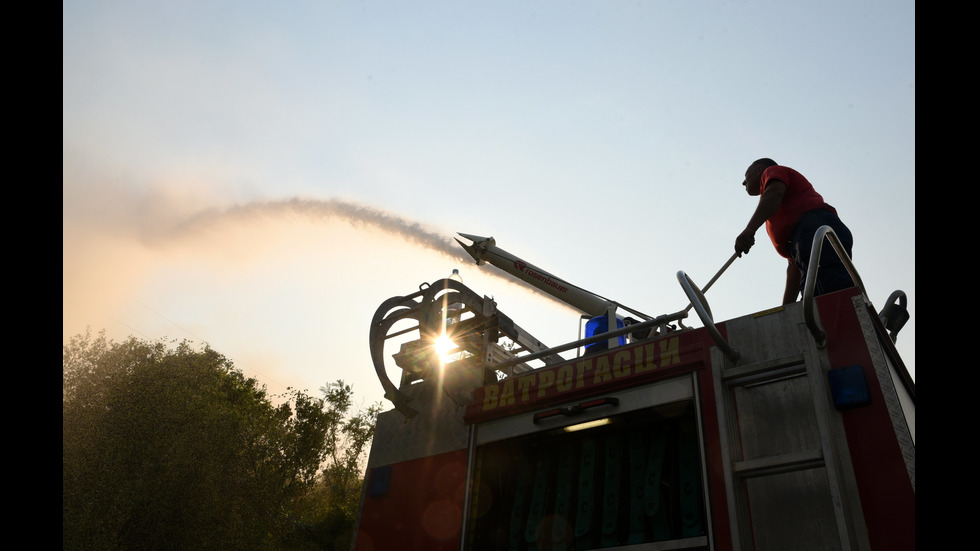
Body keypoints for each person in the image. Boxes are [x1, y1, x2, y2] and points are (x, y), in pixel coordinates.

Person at [734, 158, 854, 305]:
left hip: (815, 230)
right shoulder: (775, 215)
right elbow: (794, 267)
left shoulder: (772, 172)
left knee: (830, 295)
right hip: (804, 245)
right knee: (813, 300)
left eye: (746, 176)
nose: (743, 183)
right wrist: (786, 309)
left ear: (759, 169)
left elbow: (774, 193)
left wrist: (749, 230)